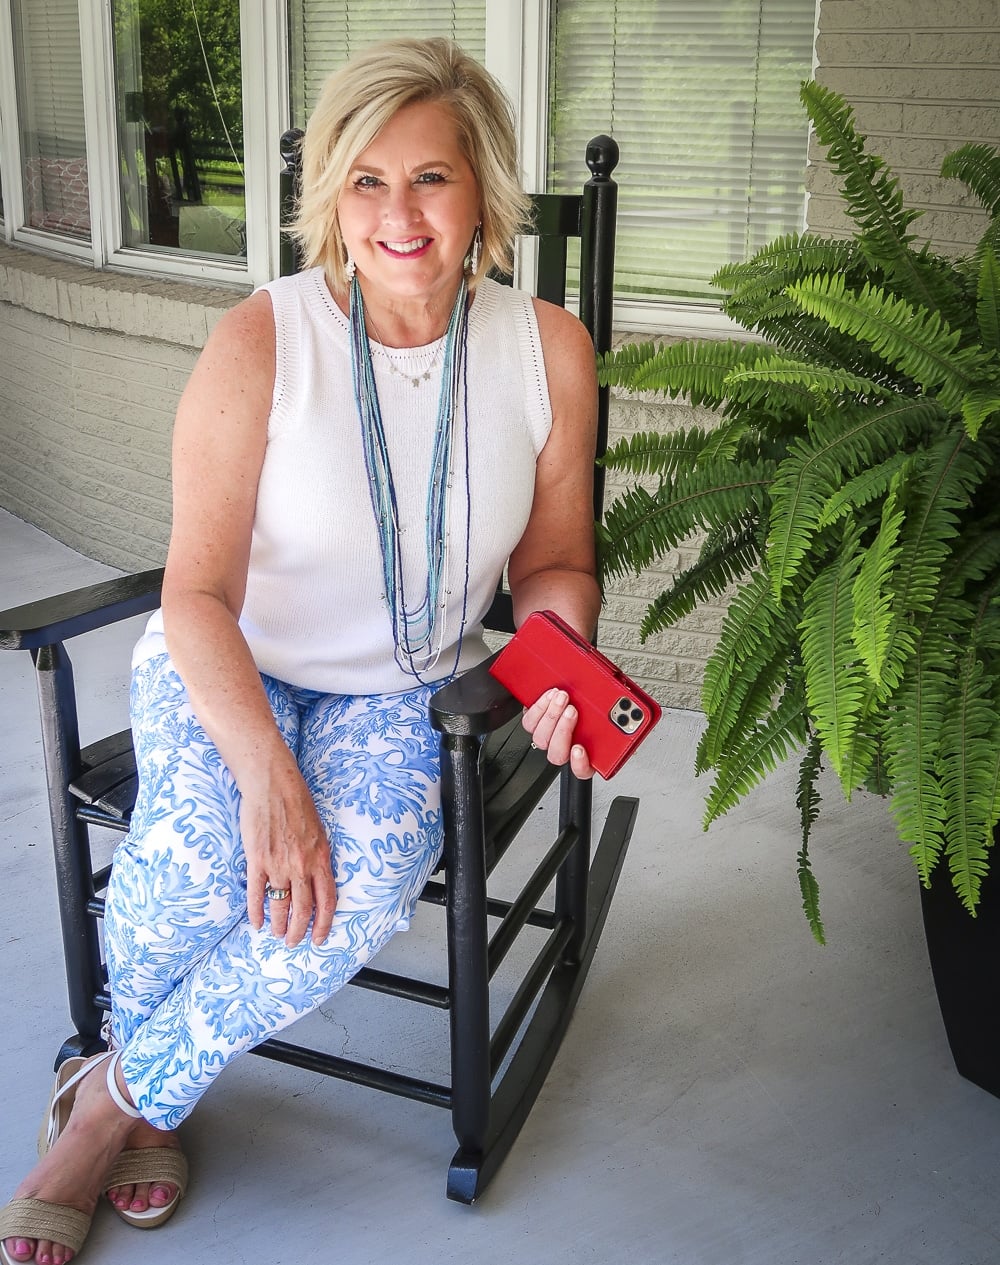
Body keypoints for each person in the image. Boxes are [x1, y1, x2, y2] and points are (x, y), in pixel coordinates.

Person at [0, 36, 599, 1265]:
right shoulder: (260, 340)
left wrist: (561, 652)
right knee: (202, 864)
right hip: (234, 661)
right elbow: (198, 592)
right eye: (365, 180)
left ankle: (112, 1097)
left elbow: (553, 563)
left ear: (481, 185)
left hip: (411, 683)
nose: (397, 214)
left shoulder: (545, 351)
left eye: (429, 177)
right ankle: (155, 1080)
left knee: (353, 885)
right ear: (329, 193)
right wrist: (269, 774)